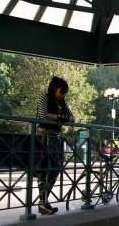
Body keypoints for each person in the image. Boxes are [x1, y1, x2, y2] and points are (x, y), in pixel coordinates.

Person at [36, 76, 75, 215]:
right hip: (43, 136)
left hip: (56, 137)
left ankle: (44, 200)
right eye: (61, 92)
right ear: (54, 89)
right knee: (44, 168)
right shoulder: (44, 98)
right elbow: (42, 115)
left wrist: (60, 118)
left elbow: (72, 118)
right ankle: (43, 202)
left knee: (56, 168)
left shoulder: (62, 102)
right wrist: (60, 118)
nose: (62, 95)